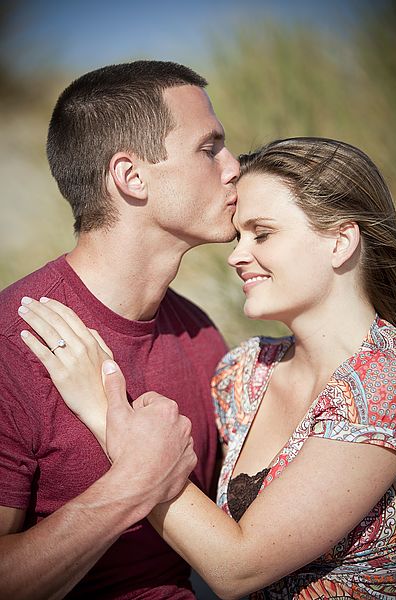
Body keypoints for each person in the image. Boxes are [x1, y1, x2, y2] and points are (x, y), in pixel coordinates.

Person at [19, 137, 396, 599]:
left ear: (341, 241)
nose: (237, 255)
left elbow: (237, 568)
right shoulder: (243, 372)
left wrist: (105, 412)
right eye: (239, 235)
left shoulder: (389, 383)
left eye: (262, 233)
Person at [0, 60, 239, 598]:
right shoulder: (12, 345)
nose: (233, 167)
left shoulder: (199, 334)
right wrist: (134, 484)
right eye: (209, 149)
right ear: (130, 176)